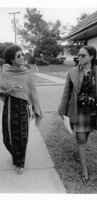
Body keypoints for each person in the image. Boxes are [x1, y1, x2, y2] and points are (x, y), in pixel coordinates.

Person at [0, 44, 42, 174]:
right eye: (19, 56)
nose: (22, 57)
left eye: (22, 55)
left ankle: (20, 162)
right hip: (9, 107)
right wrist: (9, 91)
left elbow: (32, 92)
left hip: (22, 108)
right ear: (11, 59)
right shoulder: (6, 73)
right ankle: (15, 155)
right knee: (7, 137)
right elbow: (0, 92)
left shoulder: (27, 73)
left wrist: (35, 107)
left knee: (22, 137)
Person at [59, 45, 97, 183]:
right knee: (80, 138)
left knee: (86, 136)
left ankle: (78, 153)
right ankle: (85, 171)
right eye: (78, 55)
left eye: (83, 55)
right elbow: (66, 93)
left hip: (94, 110)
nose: (79, 58)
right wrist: (62, 110)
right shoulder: (73, 72)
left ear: (92, 57)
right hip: (79, 110)